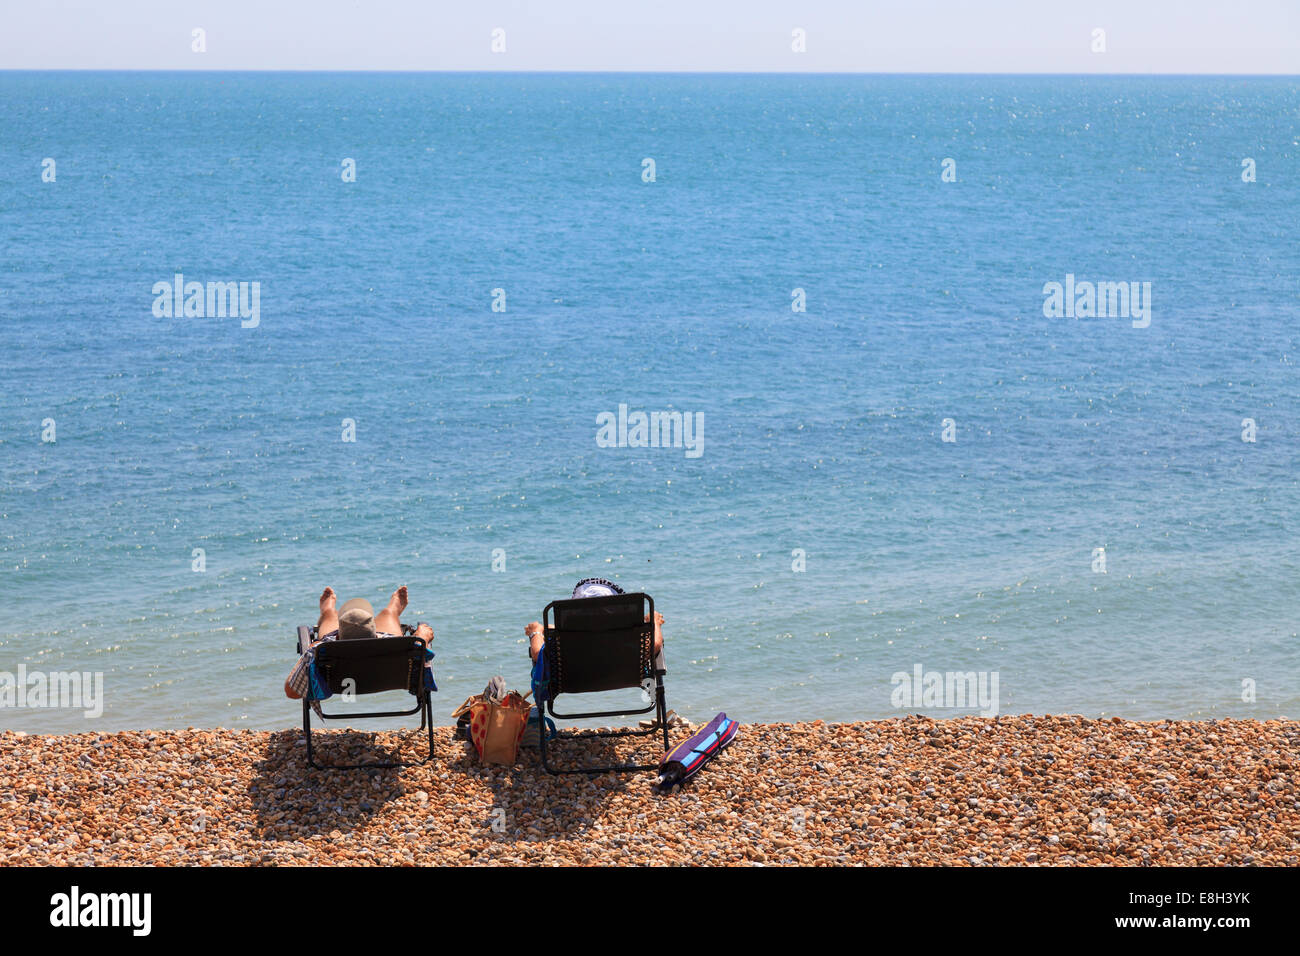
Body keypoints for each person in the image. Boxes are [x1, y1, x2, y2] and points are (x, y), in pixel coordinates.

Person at [284, 586, 433, 699]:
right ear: (376, 633)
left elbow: (292, 692)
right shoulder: (404, 645)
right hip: (386, 662)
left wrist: (307, 654)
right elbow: (422, 656)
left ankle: (328, 611)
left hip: (337, 673)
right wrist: (423, 638)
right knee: (388, 615)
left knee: (330, 617)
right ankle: (393, 609)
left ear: (337, 636)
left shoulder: (321, 649)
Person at [524, 577, 664, 662]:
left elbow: (537, 654)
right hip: (622, 676)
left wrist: (535, 632)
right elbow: (656, 645)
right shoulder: (626, 640)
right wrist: (655, 623)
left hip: (573, 680)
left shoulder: (566, 642)